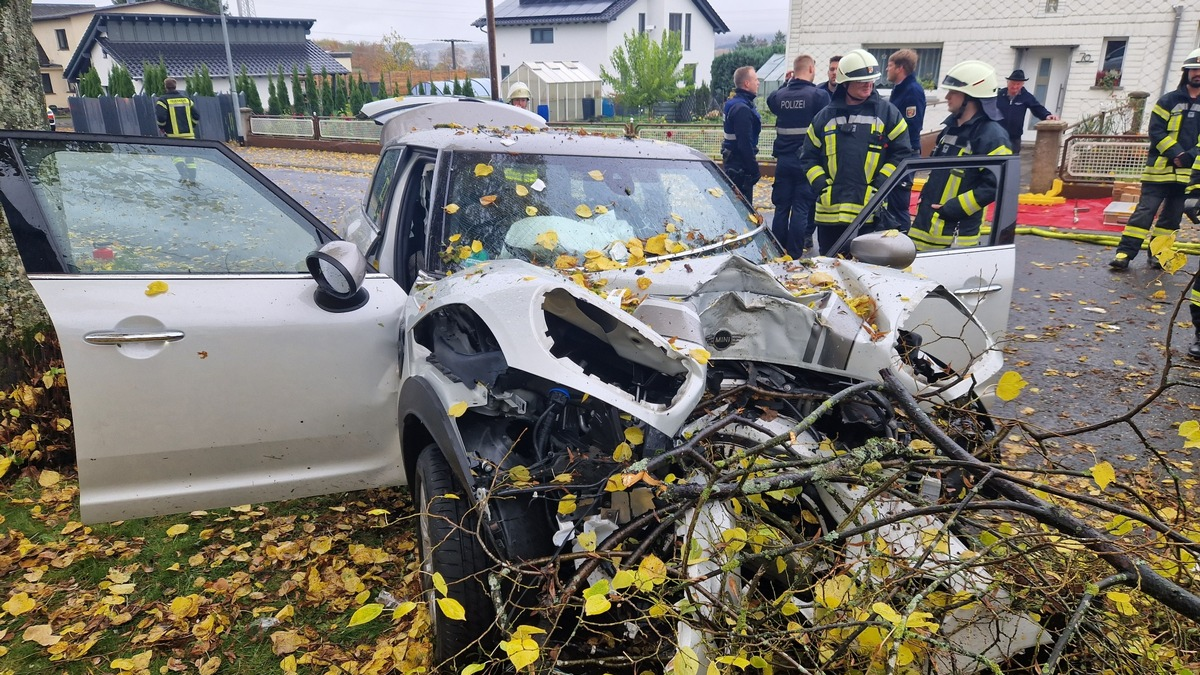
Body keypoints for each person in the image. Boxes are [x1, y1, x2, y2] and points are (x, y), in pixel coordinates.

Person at [799, 49, 914, 255]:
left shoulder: (888, 114)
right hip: (829, 216)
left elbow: (903, 153)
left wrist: (879, 186)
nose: (868, 84)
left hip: (868, 215)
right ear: (845, 83)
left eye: (871, 80)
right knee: (830, 271)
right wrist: (822, 187)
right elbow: (808, 156)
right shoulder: (824, 117)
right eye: (861, 80)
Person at [1110, 49, 1200, 271]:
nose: (1198, 74)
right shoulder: (1168, 100)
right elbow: (1156, 131)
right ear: (1186, 72)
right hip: (1159, 171)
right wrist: (1176, 154)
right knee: (1144, 213)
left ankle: (1158, 255)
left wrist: (1190, 155)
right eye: (1195, 69)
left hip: (1187, 175)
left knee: (1171, 219)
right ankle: (1124, 254)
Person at [909, 61, 1013, 251]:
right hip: (926, 227)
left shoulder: (992, 136)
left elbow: (996, 184)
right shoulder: (950, 129)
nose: (947, 97)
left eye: (953, 92)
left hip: (955, 235)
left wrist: (954, 208)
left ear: (970, 97)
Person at [766, 54, 830, 256]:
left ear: (794, 71)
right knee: (801, 208)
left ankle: (777, 249)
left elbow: (771, 100)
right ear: (811, 70)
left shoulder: (780, 96)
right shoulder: (819, 96)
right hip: (807, 163)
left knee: (781, 207)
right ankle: (793, 253)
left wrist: (786, 83)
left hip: (783, 161)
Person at [880, 48, 926, 231]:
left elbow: (911, 125)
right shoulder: (900, 89)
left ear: (900, 68)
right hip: (896, 153)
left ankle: (902, 241)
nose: (886, 70)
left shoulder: (912, 91)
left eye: (889, 66)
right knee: (891, 202)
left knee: (899, 203)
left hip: (906, 154)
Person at [721, 66, 762, 203]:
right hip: (740, 167)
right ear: (747, 83)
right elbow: (745, 143)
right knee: (742, 209)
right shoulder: (742, 109)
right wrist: (754, 169)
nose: (758, 83)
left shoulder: (733, 104)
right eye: (756, 79)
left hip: (732, 162)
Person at [995, 69, 1058, 154]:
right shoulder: (999, 95)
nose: (1015, 86)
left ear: (1022, 84)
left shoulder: (1026, 96)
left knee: (1012, 162)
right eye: (1013, 83)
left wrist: (1047, 115)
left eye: (1018, 84)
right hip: (997, 135)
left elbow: (1037, 108)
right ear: (1008, 82)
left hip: (1014, 137)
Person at [155, 77, 200, 183]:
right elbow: (196, 116)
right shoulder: (186, 100)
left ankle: (183, 174)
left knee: (176, 156)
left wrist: (162, 128)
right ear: (175, 86)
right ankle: (193, 178)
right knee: (190, 158)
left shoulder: (162, 101)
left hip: (172, 135)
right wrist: (191, 126)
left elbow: (161, 118)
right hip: (189, 135)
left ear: (165, 87)